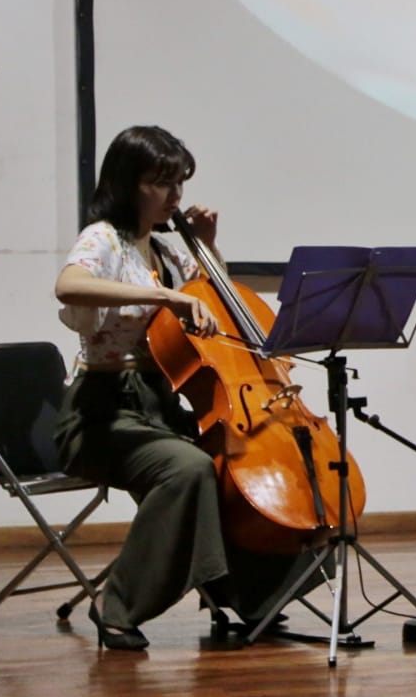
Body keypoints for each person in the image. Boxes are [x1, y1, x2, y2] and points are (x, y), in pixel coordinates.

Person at [53, 125, 309, 649]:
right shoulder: (104, 238)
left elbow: (219, 300)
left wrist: (208, 248)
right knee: (188, 469)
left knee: (235, 471)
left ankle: (247, 597)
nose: (174, 197)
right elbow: (68, 285)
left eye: (179, 184)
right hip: (103, 412)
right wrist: (166, 300)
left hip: (161, 409)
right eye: (161, 183)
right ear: (128, 185)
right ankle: (119, 605)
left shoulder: (171, 253)